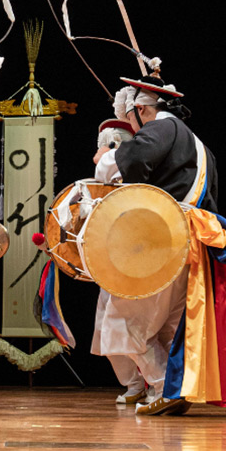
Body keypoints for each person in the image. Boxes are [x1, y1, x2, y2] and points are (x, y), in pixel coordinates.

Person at [93, 75, 226, 416]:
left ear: (141, 109)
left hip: (162, 241)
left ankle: (165, 385)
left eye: (132, 120)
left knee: (121, 321)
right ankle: (171, 387)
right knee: (166, 327)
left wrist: (107, 157)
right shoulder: (199, 145)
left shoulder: (163, 128)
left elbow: (127, 163)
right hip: (191, 244)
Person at [88, 119, 148, 405]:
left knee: (131, 329)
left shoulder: (140, 185)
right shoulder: (100, 190)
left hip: (137, 269)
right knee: (107, 329)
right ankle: (134, 385)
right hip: (110, 270)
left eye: (103, 151)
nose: (95, 158)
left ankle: (158, 384)